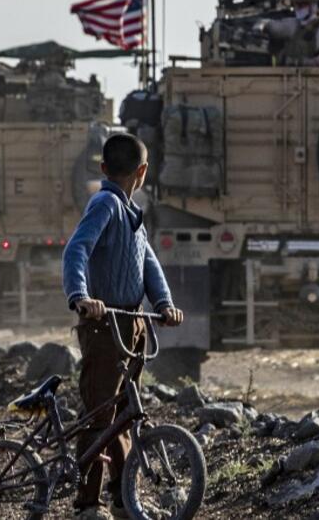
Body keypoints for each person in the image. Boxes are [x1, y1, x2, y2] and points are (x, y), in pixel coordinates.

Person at [62, 133, 185, 520]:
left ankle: (122, 498)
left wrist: (164, 303)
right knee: (99, 414)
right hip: (103, 324)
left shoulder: (132, 213)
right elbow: (77, 248)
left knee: (125, 415)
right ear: (143, 172)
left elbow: (148, 263)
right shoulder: (105, 204)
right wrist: (81, 296)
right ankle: (86, 504)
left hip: (131, 323)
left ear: (103, 168)